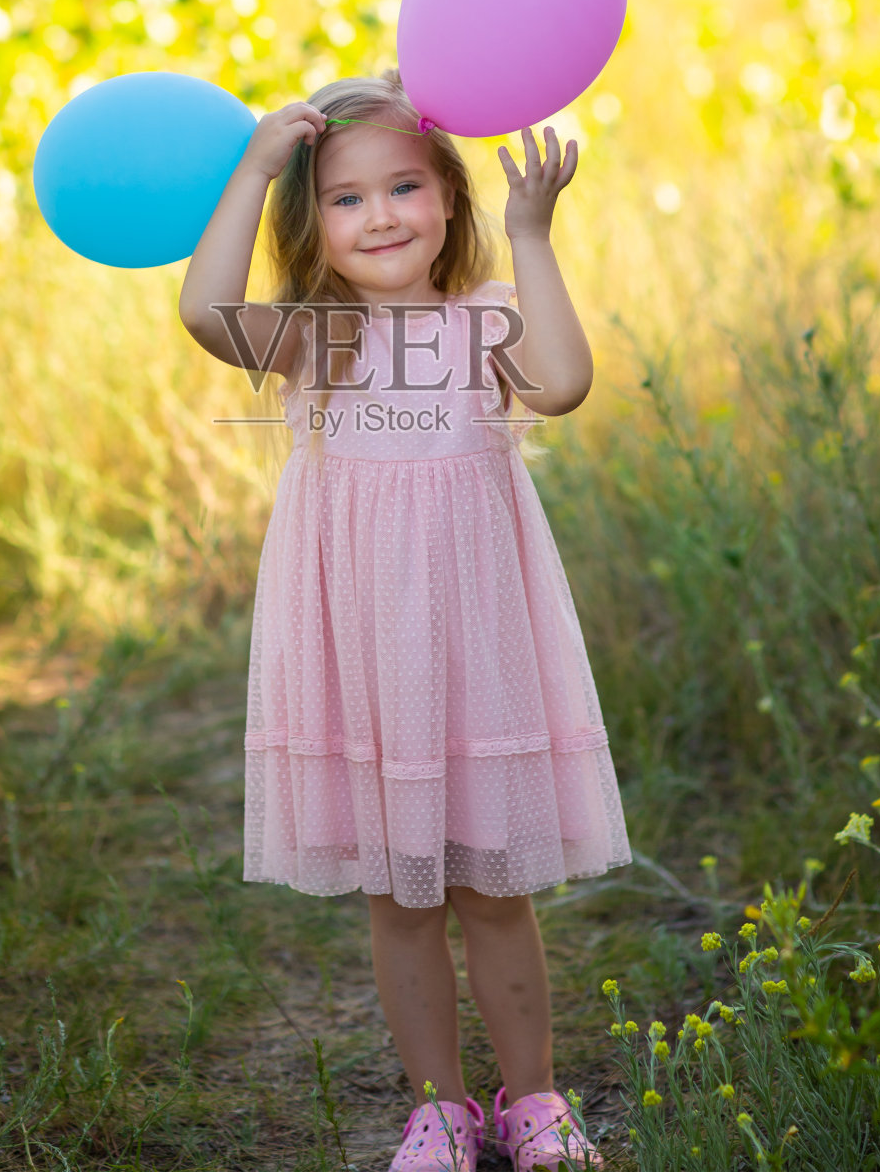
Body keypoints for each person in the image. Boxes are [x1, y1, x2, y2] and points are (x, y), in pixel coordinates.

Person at [179, 68, 632, 1171]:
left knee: (491, 886)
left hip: (476, 650)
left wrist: (532, 232)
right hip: (367, 658)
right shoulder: (314, 342)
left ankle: (531, 1100)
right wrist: (250, 165)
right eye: (343, 198)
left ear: (446, 200)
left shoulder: (478, 322)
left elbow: (564, 380)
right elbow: (201, 309)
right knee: (398, 895)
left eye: (403, 187)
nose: (378, 214)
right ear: (311, 223)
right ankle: (439, 1107)